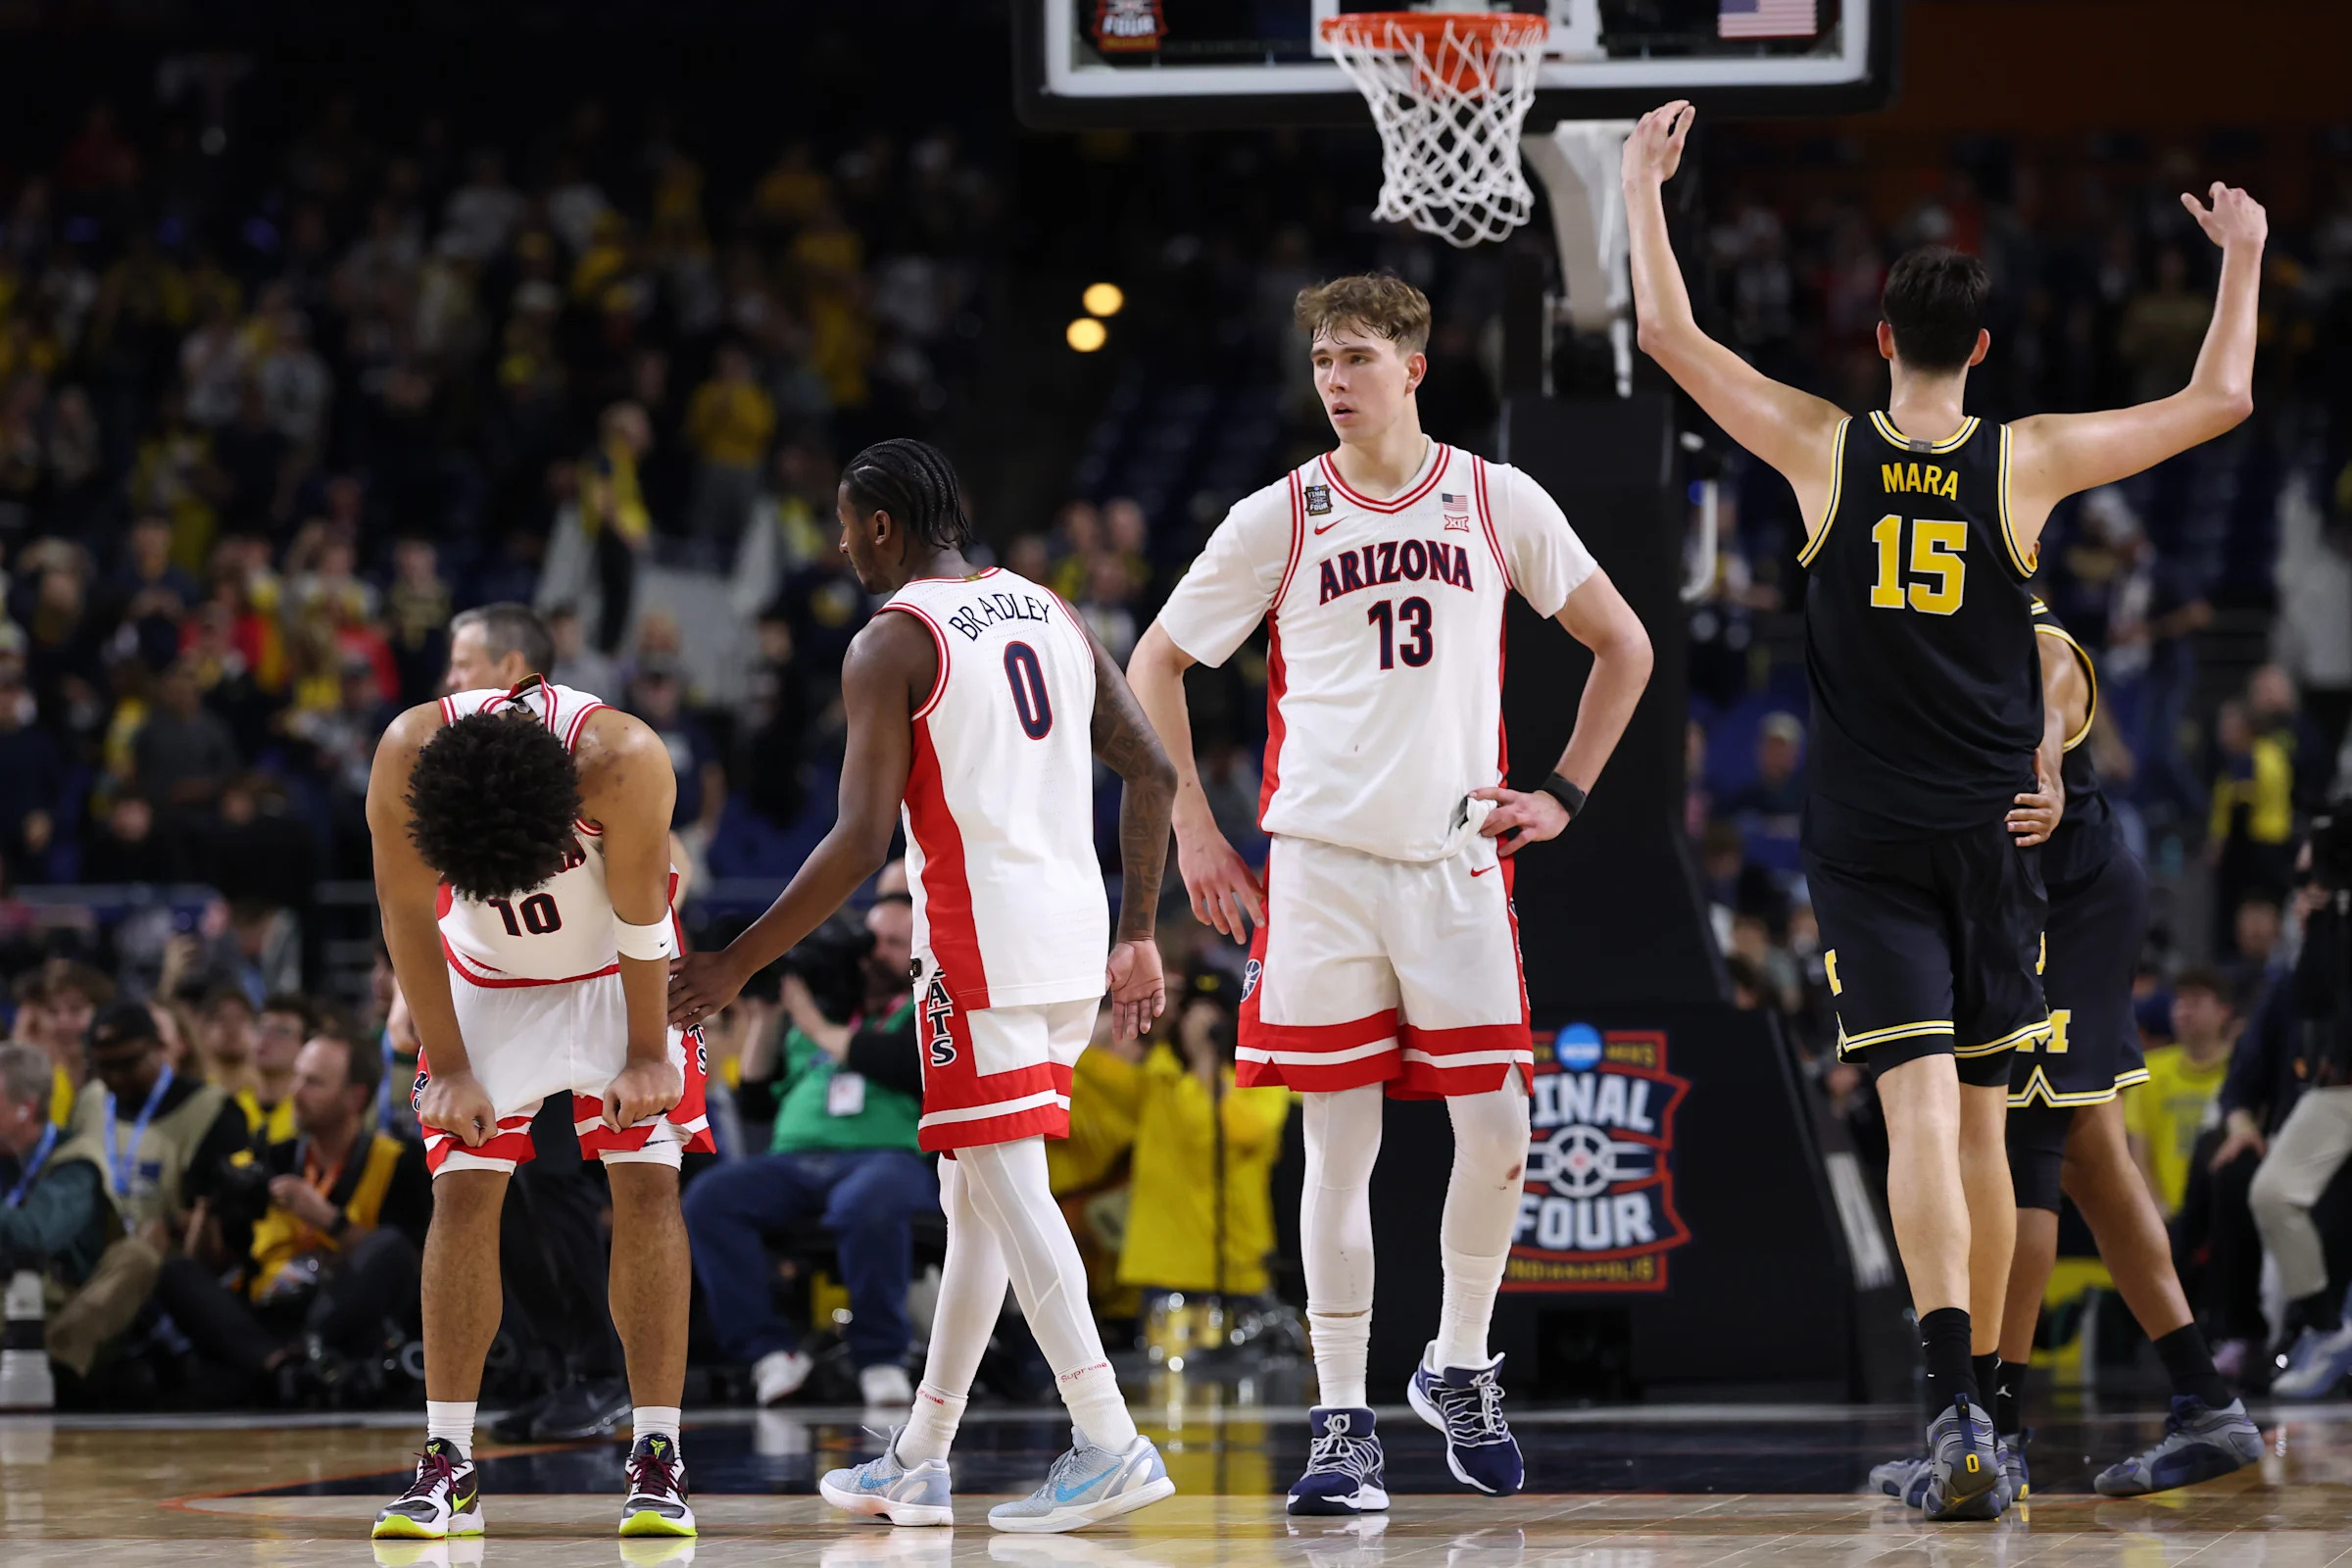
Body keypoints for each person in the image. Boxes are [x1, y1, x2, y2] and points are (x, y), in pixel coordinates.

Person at [1623, 100, 2263, 1519]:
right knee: (1984, 1127)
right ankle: (1991, 1411)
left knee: (1914, 1117)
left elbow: (1669, 336)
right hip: (1995, 837)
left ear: (1879, 340)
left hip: (1866, 838)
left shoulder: (1822, 446)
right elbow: (2218, 401)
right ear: (1980, 349)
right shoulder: (2023, 459)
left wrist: (1638, 186)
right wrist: (2244, 256)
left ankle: (1957, 1412)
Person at [1124, 273, 1652, 1512]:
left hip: (1456, 859)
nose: (1334, 379)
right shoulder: (1278, 514)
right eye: (1321, 360)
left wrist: (1565, 792)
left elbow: (1624, 643)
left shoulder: (1496, 496)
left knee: (1502, 1132)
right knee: (1337, 1148)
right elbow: (1153, 662)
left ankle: (1460, 1363)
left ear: (1414, 368)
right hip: (1318, 866)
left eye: (1356, 356)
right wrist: (1197, 832)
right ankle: (1341, 1422)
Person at [667, 437, 1181, 1533]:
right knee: (975, 1194)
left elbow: (859, 842)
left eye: (845, 524)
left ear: (883, 525)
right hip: (1072, 936)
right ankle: (919, 1454)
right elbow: (1154, 768)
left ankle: (1107, 1437)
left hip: (979, 942)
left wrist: (735, 961)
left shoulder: (892, 640)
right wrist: (1138, 930)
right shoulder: (1049, 609)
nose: (840, 544)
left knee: (1006, 1184)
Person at [1872, 608, 2257, 1512]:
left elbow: (2050, 707)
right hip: (2048, 902)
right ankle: (2205, 1401)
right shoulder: (1950, 640)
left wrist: (2043, 768)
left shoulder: (2038, 639)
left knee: (2026, 1147)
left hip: (2071, 904)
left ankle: (1997, 1426)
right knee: (2092, 1158)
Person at [367, 606, 711, 1541]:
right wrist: (446, 1066)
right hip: (486, 976)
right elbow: (407, 914)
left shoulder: (622, 757)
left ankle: (658, 1451)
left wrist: (648, 1055)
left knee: (647, 1183)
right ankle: (447, 1460)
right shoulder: (407, 754)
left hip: (614, 970)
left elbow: (643, 919)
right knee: (461, 1191)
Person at [437, 603, 635, 1446]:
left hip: (592, 993)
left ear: (511, 666)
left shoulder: (596, 749)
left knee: (558, 1186)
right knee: (494, 1192)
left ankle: (608, 1376)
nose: (450, 681)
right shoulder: (453, 757)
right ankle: (562, 1369)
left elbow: (666, 864)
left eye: (462, 663)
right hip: (497, 989)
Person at [682, 890, 932, 1409]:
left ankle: (881, 1357)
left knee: (865, 1203)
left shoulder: (925, 1009)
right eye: (873, 939)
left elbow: (899, 1063)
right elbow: (754, 1099)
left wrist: (815, 1025)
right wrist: (768, 1013)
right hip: (793, 1162)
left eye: (894, 943)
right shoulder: (820, 1009)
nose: (876, 953)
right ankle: (770, 1353)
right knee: (710, 1199)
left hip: (886, 1158)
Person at [150, 1031, 431, 1403]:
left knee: (390, 1245)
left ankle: (302, 1358)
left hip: (340, 1314)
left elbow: (411, 1266)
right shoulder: (270, 1158)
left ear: (355, 1097)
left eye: (313, 1082)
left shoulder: (398, 1161)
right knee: (176, 1271)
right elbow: (212, 1263)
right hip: (268, 1317)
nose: (295, 1092)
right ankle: (282, 1366)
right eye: (296, 1077)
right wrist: (208, 1206)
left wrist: (328, 1219)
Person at [2128, 970, 2238, 1218]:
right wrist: (2157, 1210)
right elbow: (2138, 1153)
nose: (2183, 1011)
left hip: (2225, 1214)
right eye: (2179, 1002)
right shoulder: (2148, 1070)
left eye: (2195, 1002)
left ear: (2223, 1012)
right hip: (2167, 1213)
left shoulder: (2240, 1071)